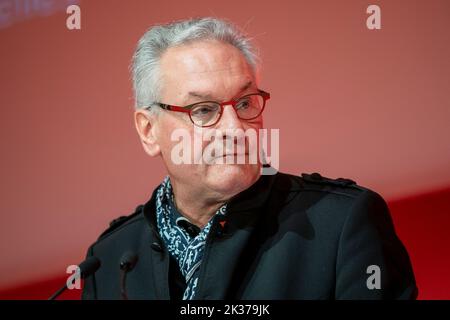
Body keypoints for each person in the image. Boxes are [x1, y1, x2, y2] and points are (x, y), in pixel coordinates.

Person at [81, 17, 417, 300]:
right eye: (203, 110)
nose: (235, 128)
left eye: (244, 103)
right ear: (148, 130)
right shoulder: (109, 261)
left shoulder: (340, 224)